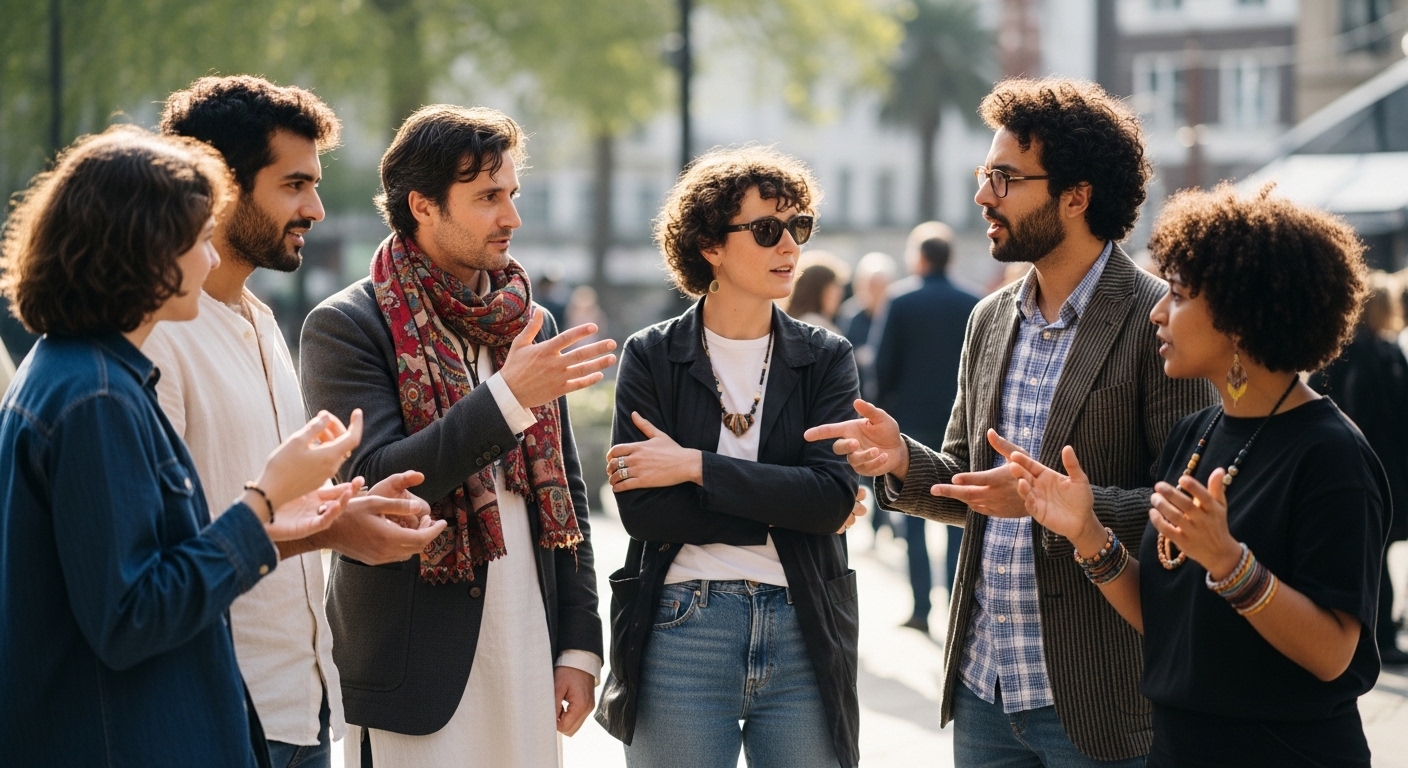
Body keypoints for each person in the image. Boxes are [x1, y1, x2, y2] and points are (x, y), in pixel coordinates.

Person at [806, 78, 1217, 766]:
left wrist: (1069, 506)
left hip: (1098, 699)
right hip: (983, 686)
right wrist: (901, 460)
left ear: (1076, 196)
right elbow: (970, 482)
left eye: (1003, 177)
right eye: (983, 174)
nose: (983, 196)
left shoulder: (1157, 321)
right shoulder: (990, 318)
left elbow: (1187, 508)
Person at [0, 125, 361, 766]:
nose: (213, 260)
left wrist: (284, 524)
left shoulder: (82, 376)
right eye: (198, 241)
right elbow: (133, 614)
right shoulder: (96, 399)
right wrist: (264, 498)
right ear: (145, 251)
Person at [1008, 185, 1385, 767]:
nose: (1159, 309)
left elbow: (1334, 653)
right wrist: (1086, 534)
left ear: (1238, 315)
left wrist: (1232, 565)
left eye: (1179, 295)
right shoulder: (1197, 433)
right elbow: (1167, 625)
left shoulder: (1331, 455)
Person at [299, 105, 615, 768]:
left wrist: (580, 646)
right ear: (424, 205)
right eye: (488, 198)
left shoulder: (529, 320)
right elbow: (380, 480)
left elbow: (567, 490)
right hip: (414, 667)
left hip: (529, 652)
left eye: (513, 195)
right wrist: (506, 399)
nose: (512, 218)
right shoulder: (345, 326)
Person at [148, 75, 448, 768]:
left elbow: (249, 508)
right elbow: (156, 556)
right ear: (216, 184)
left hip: (305, 709)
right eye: (293, 185)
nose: (315, 207)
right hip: (216, 715)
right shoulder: (155, 339)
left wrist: (335, 522)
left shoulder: (260, 320)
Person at [594, 146, 864, 768]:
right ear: (711, 245)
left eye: (799, 228)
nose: (789, 247)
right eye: (767, 230)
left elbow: (830, 500)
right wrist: (790, 501)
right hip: (682, 627)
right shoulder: (652, 355)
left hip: (805, 628)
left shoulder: (826, 357)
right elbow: (647, 514)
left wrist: (696, 468)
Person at [872, 222, 979, 633]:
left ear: (919, 257)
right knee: (959, 515)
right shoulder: (973, 301)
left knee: (912, 515)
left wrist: (884, 416)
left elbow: (884, 366)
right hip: (961, 424)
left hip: (910, 424)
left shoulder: (900, 300)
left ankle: (920, 608)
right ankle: (957, 605)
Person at [1310, 269, 1408, 666]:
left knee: (1368, 550)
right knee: (1376, 550)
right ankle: (1379, 633)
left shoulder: (1339, 353)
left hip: (1350, 468)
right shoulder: (1383, 354)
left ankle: (1373, 630)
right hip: (1386, 469)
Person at [838, 251, 897, 402]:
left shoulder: (898, 315)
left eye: (879, 286)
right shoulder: (850, 315)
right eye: (869, 285)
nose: (874, 291)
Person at [784, 249, 850, 333]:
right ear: (818, 292)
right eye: (834, 294)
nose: (840, 296)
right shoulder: (815, 325)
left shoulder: (795, 322)